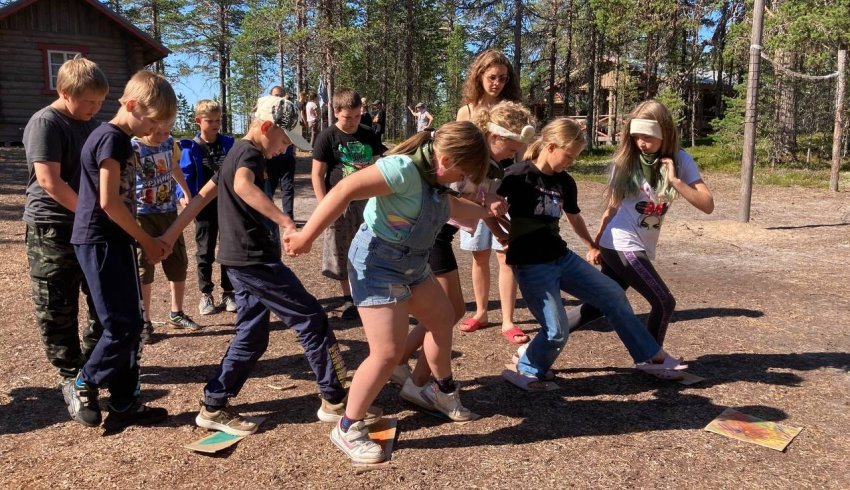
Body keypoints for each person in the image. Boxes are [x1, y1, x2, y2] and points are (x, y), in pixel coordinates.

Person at [160, 95, 379, 436]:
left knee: (252, 335)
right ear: (266, 128)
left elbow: (203, 194)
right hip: (253, 261)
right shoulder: (247, 152)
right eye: (284, 140)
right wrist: (286, 222)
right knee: (312, 319)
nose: (286, 148)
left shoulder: (236, 152)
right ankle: (335, 401)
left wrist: (171, 234)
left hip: (240, 261)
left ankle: (213, 404)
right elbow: (242, 185)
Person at [285, 121, 499, 464]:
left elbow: (456, 210)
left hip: (412, 266)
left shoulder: (437, 185)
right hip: (376, 265)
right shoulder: (401, 171)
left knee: (443, 318)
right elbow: (343, 191)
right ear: (445, 159)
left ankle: (439, 390)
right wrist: (306, 236)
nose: (469, 182)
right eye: (466, 173)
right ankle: (347, 426)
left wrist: (489, 209)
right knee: (387, 352)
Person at [497, 117, 689, 390]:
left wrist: (590, 244)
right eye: (569, 155)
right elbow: (487, 206)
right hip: (532, 264)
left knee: (612, 294)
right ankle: (527, 367)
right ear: (550, 146)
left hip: (561, 258)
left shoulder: (565, 181)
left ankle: (650, 356)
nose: (570, 162)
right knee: (556, 331)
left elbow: (573, 217)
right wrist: (500, 233)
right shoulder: (517, 175)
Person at [390, 101, 536, 393]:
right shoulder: (468, 156)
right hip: (429, 238)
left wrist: (501, 228)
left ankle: (400, 361)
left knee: (448, 312)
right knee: (448, 312)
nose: (514, 154)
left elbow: (479, 205)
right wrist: (488, 207)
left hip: (437, 237)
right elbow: (453, 202)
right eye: (512, 148)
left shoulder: (489, 163)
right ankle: (418, 384)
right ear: (495, 137)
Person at [65, 70, 176, 428]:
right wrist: (148, 240)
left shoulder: (119, 140)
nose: (156, 131)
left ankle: (126, 402)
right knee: (121, 324)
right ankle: (84, 382)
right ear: (131, 105)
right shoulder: (111, 139)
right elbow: (109, 203)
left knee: (131, 321)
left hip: (116, 240)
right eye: (154, 121)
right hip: (99, 239)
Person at [569, 100, 715, 345]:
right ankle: (653, 359)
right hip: (620, 242)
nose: (641, 143)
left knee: (597, 306)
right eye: (636, 137)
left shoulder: (680, 160)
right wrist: (595, 245)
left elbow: (707, 204)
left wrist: (677, 182)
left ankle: (538, 344)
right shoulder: (626, 161)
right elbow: (612, 207)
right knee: (664, 302)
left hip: (637, 244)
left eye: (647, 137)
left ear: (664, 133)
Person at [22, 57, 108, 392]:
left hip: (86, 226)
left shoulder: (91, 124)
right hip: (52, 227)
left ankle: (91, 361)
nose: (95, 107)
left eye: (100, 101)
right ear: (65, 93)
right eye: (89, 101)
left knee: (101, 298)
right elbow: (49, 181)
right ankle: (69, 373)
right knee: (56, 304)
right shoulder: (46, 122)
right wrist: (92, 213)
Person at [455, 50, 526, 344]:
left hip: (505, 187)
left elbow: (521, 152)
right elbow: (460, 149)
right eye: (492, 77)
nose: (497, 83)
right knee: (478, 254)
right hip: (473, 189)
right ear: (479, 76)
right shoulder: (467, 111)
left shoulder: (513, 111)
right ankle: (481, 311)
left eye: (502, 78)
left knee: (506, 253)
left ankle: (508, 320)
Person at [311, 88, 386, 320]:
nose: (353, 121)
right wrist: (325, 206)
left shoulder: (368, 133)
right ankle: (348, 298)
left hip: (368, 203)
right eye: (347, 117)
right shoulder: (327, 137)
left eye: (356, 116)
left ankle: (369, 292)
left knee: (370, 247)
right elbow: (317, 175)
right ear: (336, 112)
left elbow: (378, 165)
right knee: (342, 250)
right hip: (339, 204)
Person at [132, 119, 199, 343]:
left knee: (178, 261)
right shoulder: (134, 146)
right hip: (142, 215)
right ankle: (144, 321)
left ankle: (176, 313)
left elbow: (174, 167)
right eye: (158, 132)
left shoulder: (170, 143)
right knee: (144, 268)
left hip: (168, 211)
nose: (163, 135)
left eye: (167, 131)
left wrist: (185, 192)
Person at [178, 99, 236, 316]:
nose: (215, 124)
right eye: (210, 120)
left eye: (218, 120)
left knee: (228, 248)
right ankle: (206, 294)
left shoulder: (229, 144)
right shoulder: (190, 148)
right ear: (198, 121)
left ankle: (228, 292)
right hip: (203, 206)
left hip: (227, 203)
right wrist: (183, 197)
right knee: (205, 250)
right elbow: (184, 176)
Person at [264, 86, 308, 220]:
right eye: (276, 95)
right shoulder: (265, 114)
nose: (278, 98)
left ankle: (288, 217)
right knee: (269, 187)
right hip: (270, 158)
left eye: (281, 95)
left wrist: (293, 149)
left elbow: (297, 131)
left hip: (287, 157)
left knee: (288, 187)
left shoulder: (291, 114)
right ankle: (266, 216)